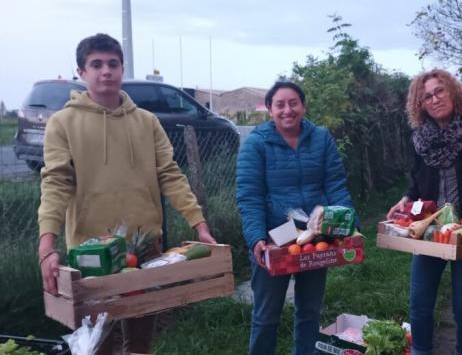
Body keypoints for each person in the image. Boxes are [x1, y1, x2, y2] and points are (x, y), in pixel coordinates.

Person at [37, 33, 216, 355]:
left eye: (112, 64)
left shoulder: (147, 122)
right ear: (82, 72)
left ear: (122, 68)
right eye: (96, 64)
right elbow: (55, 182)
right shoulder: (62, 123)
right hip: (90, 253)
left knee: (140, 341)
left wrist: (198, 223)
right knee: (96, 343)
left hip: (144, 246)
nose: (106, 71)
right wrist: (46, 245)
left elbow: (170, 175)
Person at [386, 69, 462, 355]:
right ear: (420, 105)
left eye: (440, 91)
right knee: (420, 302)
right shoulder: (418, 140)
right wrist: (405, 199)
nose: (435, 99)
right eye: (427, 96)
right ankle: (421, 351)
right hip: (430, 230)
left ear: (453, 93)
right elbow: (415, 183)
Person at [236, 80, 353, 355]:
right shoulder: (256, 144)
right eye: (280, 105)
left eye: (293, 103)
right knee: (266, 316)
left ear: (303, 106)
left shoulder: (321, 138)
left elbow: (335, 184)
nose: (287, 110)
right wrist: (256, 238)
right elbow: (249, 196)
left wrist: (349, 222)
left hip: (315, 235)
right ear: (269, 109)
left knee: (310, 311)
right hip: (274, 238)